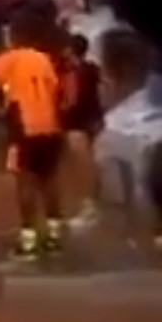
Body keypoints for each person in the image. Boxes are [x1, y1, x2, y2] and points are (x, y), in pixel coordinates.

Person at [0, 9, 66, 256]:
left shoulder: (9, 58)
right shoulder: (44, 59)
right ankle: (55, 235)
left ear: (15, 34)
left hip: (23, 129)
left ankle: (29, 238)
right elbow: (56, 91)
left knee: (24, 182)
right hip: (51, 127)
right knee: (50, 181)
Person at [60, 34, 105, 220]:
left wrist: (59, 111)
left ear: (71, 50)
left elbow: (70, 101)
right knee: (95, 162)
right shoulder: (94, 69)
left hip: (76, 123)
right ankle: (96, 201)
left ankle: (86, 205)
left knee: (79, 166)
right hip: (94, 119)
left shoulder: (72, 72)